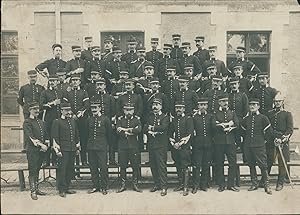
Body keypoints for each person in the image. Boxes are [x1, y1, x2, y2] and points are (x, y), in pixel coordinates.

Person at [241, 98, 273, 195]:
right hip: (248, 145)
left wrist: (264, 141)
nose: (252, 106)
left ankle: (266, 185)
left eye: (254, 104)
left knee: (263, 165)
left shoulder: (264, 118)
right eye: (250, 104)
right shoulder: (246, 119)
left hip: (259, 145)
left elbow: (269, 132)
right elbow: (242, 131)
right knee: (251, 164)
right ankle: (254, 183)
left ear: (258, 106)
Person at [51, 102, 80, 198]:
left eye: (69, 110)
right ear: (61, 111)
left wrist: (77, 147)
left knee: (70, 169)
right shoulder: (57, 121)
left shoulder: (72, 121)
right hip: (63, 150)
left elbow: (76, 135)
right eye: (66, 110)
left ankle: (67, 187)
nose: (68, 112)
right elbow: (55, 137)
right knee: (62, 169)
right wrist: (57, 151)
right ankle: (61, 189)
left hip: (72, 149)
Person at [266, 92, 293, 191]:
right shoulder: (269, 113)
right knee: (268, 161)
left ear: (282, 102)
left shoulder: (287, 114)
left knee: (282, 162)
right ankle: (265, 181)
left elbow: (290, 129)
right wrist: (274, 137)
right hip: (272, 140)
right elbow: (268, 128)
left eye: (279, 101)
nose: (277, 103)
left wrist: (282, 138)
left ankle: (280, 182)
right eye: (276, 101)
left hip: (283, 141)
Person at [62, 73, 90, 167]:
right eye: (73, 80)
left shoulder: (84, 92)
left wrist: (78, 114)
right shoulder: (67, 93)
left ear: (80, 82)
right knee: (72, 139)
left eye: (76, 80)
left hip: (82, 119)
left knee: (83, 139)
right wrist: (71, 114)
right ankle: (74, 163)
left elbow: (86, 105)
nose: (75, 82)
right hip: (70, 119)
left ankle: (84, 160)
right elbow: (65, 105)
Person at [214, 93, 239, 192]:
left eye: (226, 101)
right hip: (219, 142)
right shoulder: (215, 113)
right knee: (219, 163)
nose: (225, 103)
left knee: (232, 163)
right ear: (219, 102)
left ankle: (231, 184)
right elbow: (213, 125)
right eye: (223, 101)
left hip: (230, 142)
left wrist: (230, 127)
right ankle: (221, 184)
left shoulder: (232, 112)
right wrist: (224, 124)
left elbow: (237, 123)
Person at [23, 102, 49, 200]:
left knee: (37, 169)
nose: (37, 111)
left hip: (41, 151)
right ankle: (33, 191)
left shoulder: (41, 122)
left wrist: (46, 144)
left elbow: (45, 135)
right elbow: (31, 137)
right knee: (32, 169)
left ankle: (37, 189)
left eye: (38, 109)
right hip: (32, 150)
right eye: (34, 109)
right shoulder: (27, 122)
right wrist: (41, 145)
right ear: (30, 110)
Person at [144, 99, 169, 196]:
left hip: (161, 145)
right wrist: (149, 130)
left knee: (161, 166)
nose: (155, 106)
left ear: (161, 106)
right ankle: (157, 184)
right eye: (153, 105)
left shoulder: (164, 117)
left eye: (157, 105)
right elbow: (144, 128)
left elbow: (163, 127)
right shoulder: (149, 117)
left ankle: (164, 186)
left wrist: (152, 128)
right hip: (151, 144)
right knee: (153, 165)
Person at [87, 100, 112, 195]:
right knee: (93, 168)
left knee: (103, 167)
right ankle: (95, 186)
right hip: (91, 147)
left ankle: (104, 187)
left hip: (102, 147)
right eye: (92, 108)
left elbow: (109, 134)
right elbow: (86, 134)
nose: (94, 110)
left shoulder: (105, 119)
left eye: (95, 108)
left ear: (100, 108)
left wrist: (108, 146)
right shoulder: (89, 119)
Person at [116, 103, 142, 193]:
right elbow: (118, 132)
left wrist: (125, 130)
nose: (128, 112)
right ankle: (123, 185)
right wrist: (131, 131)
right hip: (123, 146)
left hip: (133, 146)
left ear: (133, 110)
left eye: (130, 110)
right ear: (123, 111)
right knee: (123, 166)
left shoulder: (137, 120)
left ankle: (135, 184)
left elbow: (138, 130)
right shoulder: (120, 120)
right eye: (126, 110)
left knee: (135, 166)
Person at [169, 102, 194, 196]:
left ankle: (186, 187)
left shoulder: (188, 119)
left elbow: (189, 133)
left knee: (185, 165)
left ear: (184, 109)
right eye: (177, 108)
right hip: (175, 147)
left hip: (185, 146)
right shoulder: (174, 120)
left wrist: (181, 143)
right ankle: (181, 183)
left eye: (180, 108)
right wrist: (173, 143)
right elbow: (170, 133)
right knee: (178, 164)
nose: (178, 110)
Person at [192, 97, 215, 193]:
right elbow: (191, 132)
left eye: (204, 105)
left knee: (206, 165)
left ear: (207, 106)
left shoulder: (211, 116)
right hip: (197, 145)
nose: (202, 107)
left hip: (208, 144)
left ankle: (204, 184)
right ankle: (195, 185)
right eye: (201, 105)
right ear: (198, 106)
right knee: (197, 165)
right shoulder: (194, 118)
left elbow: (213, 130)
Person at [40, 74, 63, 166]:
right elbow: (41, 105)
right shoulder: (45, 93)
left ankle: (55, 160)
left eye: (54, 81)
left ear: (57, 81)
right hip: (49, 119)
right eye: (51, 81)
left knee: (57, 138)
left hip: (59, 118)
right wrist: (53, 103)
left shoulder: (61, 92)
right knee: (48, 138)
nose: (53, 82)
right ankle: (46, 161)